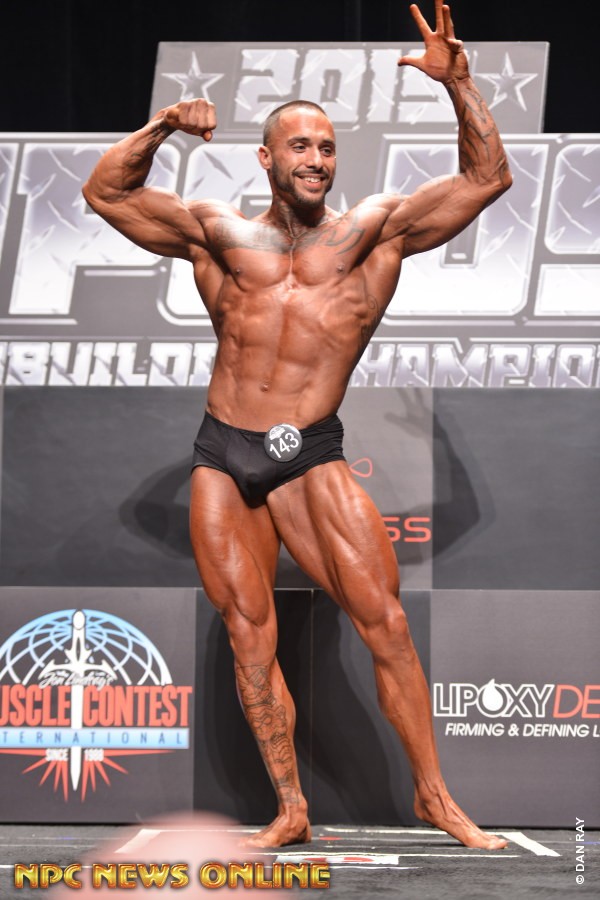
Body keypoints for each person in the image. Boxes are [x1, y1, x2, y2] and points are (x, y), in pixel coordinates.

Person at [83, 0, 511, 851]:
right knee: (251, 638)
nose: (317, 161)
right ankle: (290, 808)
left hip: (308, 452)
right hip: (222, 450)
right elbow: (105, 191)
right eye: (302, 147)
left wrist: (459, 86)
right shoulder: (217, 235)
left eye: (327, 148)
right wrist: (163, 125)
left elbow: (485, 180)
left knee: (385, 624)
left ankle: (435, 796)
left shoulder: (371, 234)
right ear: (267, 157)